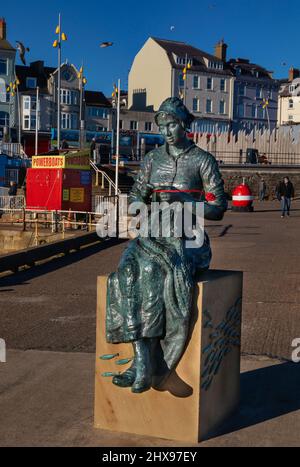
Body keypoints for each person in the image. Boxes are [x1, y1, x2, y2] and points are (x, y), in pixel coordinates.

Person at [105, 97, 227, 393]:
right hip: (153, 234)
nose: (167, 131)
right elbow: (135, 197)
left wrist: (185, 200)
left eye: (172, 124)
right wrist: (142, 206)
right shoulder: (151, 160)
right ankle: (142, 358)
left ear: (183, 125)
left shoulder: (202, 161)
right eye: (162, 126)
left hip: (188, 240)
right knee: (124, 274)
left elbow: (218, 208)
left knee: (154, 272)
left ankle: (155, 364)